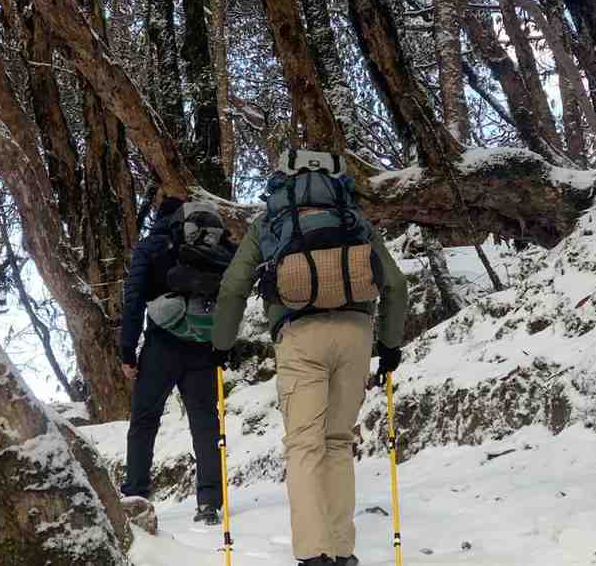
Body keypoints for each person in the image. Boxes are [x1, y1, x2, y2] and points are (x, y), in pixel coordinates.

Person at [211, 151, 408, 566]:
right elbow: (394, 283)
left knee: (304, 445)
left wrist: (222, 344)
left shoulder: (270, 222)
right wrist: (389, 345)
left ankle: (314, 554)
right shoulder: (353, 219)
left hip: (299, 335)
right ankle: (341, 551)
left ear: (282, 180)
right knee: (338, 442)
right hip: (355, 334)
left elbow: (232, 287)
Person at [119, 196, 233, 525]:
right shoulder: (216, 246)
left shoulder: (150, 247)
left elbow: (135, 298)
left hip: (161, 346)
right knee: (205, 423)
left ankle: (136, 496)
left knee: (144, 422)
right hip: (203, 345)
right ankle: (209, 502)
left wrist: (128, 350)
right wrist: (223, 343)